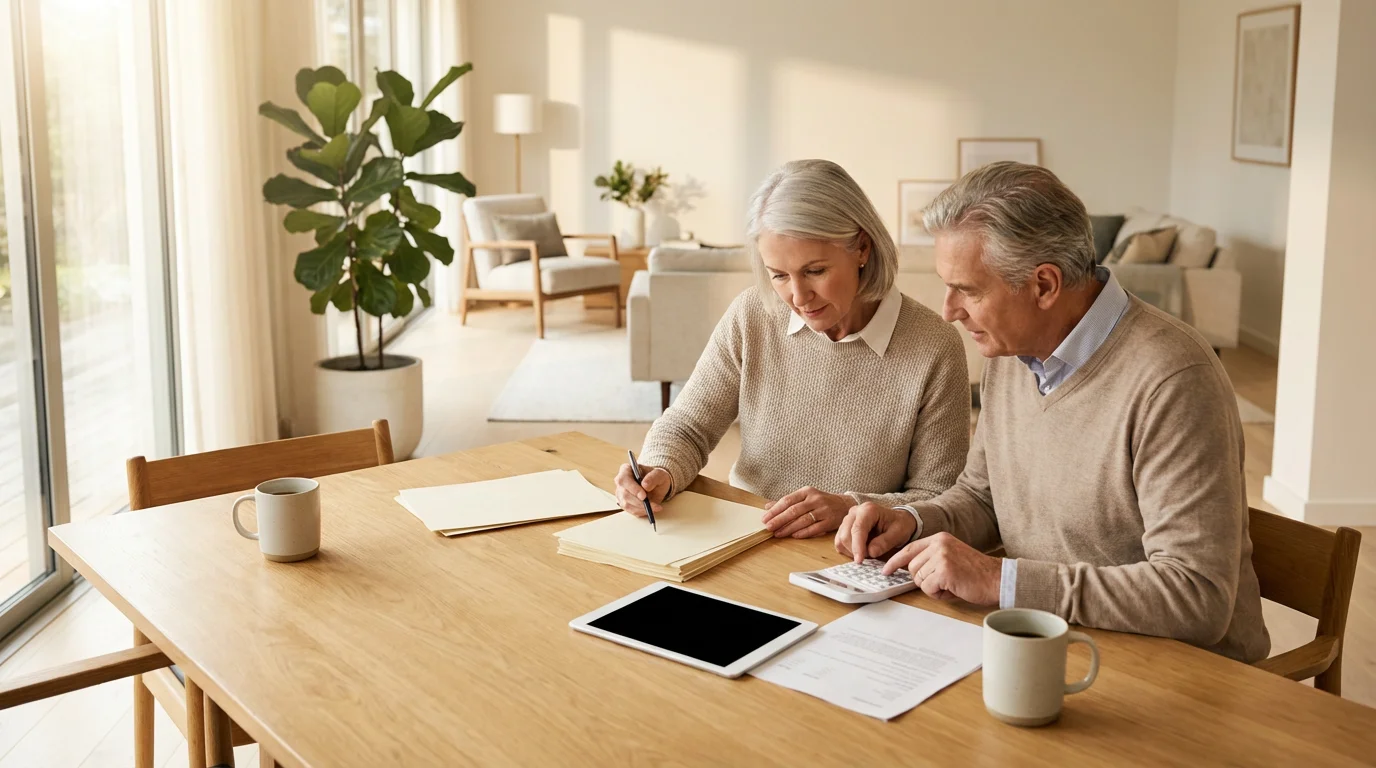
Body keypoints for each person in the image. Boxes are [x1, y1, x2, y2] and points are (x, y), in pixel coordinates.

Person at [836, 161, 1269, 661]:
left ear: (1044, 285)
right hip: (1051, 642)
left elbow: (1197, 597)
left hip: (1184, 674)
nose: (948, 310)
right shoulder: (1014, 353)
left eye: (969, 290)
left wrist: (1001, 579)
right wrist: (911, 521)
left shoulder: (1173, 379)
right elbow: (983, 497)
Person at [613, 159, 970, 539]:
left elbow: (940, 499)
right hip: (743, 537)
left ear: (862, 248)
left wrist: (851, 507)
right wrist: (658, 471)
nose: (798, 297)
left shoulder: (934, 347)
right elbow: (688, 426)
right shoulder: (753, 314)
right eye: (779, 276)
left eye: (815, 271)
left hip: (850, 557)